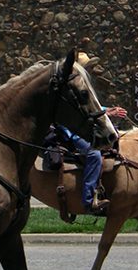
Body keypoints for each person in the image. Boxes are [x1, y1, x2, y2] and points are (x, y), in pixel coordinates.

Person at [51, 52, 127, 215]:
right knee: (94, 154)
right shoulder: (73, 83)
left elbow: (89, 108)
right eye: (88, 67)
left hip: (80, 127)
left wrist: (108, 111)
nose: (91, 70)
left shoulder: (81, 82)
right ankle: (88, 200)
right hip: (71, 130)